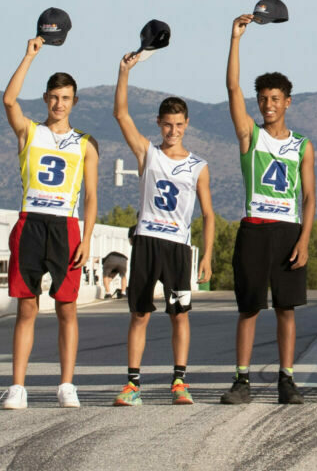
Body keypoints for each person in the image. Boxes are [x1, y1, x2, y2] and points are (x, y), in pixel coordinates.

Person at [0, 37, 99, 410]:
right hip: (30, 223)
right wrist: (29, 55)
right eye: (54, 97)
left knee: (66, 308)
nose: (59, 104)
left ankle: (67, 384)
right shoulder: (30, 131)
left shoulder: (85, 143)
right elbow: (9, 101)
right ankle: (18, 386)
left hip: (65, 226)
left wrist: (87, 237)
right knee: (27, 308)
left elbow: (90, 196)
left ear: (74, 102)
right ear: (46, 99)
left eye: (66, 98)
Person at [111, 53, 215, 407]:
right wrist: (124, 72)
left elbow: (209, 214)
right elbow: (121, 115)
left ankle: (179, 381)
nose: (173, 131)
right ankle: (133, 384)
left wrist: (209, 256)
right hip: (146, 242)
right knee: (139, 313)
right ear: (159, 123)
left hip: (177, 247)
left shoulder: (198, 166)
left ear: (187, 125)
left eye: (179, 125)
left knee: (178, 315)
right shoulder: (147, 154)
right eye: (167, 125)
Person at [222, 14, 315, 405]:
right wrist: (236, 40)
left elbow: (310, 197)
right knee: (248, 309)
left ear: (287, 102)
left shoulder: (302, 145)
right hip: (255, 229)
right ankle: (242, 380)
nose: (268, 104)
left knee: (286, 310)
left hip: (288, 232)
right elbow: (231, 86)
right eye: (263, 99)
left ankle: (286, 379)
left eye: (275, 99)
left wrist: (306, 239)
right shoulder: (251, 135)